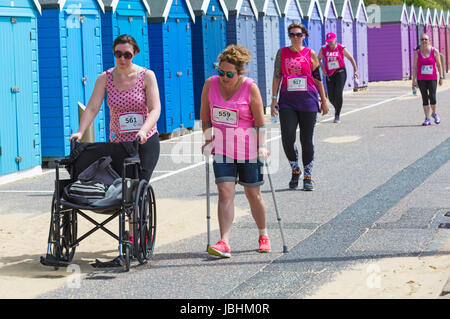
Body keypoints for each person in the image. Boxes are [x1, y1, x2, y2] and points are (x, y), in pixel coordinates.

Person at [200, 45, 271, 258]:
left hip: (248, 150)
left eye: (229, 74)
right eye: (220, 72)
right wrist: (207, 139)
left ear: (239, 73)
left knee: (253, 194)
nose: (223, 77)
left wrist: (261, 146)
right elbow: (205, 117)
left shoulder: (250, 87)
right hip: (222, 148)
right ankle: (224, 241)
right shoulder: (210, 85)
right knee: (225, 193)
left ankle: (263, 234)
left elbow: (260, 123)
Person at [70, 34, 161, 181]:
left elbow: (155, 109)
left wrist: (143, 131)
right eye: (118, 54)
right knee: (120, 186)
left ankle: (139, 204)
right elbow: (92, 108)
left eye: (127, 55)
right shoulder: (105, 78)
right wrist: (80, 132)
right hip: (119, 143)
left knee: (139, 185)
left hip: (144, 140)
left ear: (135, 54)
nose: (122, 59)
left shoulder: (147, 76)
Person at [270, 23, 328, 191]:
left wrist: (323, 100)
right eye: (292, 34)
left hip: (308, 101)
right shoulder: (282, 53)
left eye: (299, 34)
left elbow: (318, 79)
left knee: (306, 139)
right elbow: (276, 77)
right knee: (287, 137)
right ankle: (295, 169)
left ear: (304, 36)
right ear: (289, 36)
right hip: (287, 101)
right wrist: (274, 99)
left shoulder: (310, 54)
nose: (295, 37)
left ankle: (308, 176)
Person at [318, 32, 358, 123]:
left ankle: (337, 115)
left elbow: (351, 58)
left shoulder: (341, 48)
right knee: (331, 97)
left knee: (338, 92)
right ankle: (337, 107)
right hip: (329, 74)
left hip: (340, 72)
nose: (330, 44)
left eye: (331, 41)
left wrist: (355, 70)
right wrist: (323, 69)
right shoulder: (324, 48)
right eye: (328, 42)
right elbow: (318, 58)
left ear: (335, 39)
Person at [412, 33, 443, 126]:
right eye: (422, 39)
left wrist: (441, 77)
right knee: (425, 98)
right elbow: (415, 68)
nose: (424, 41)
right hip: (421, 79)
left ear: (429, 40)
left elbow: (439, 64)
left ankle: (434, 113)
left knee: (432, 97)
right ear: (420, 41)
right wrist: (414, 82)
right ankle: (427, 118)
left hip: (432, 78)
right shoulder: (417, 53)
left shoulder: (434, 51)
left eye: (426, 39)